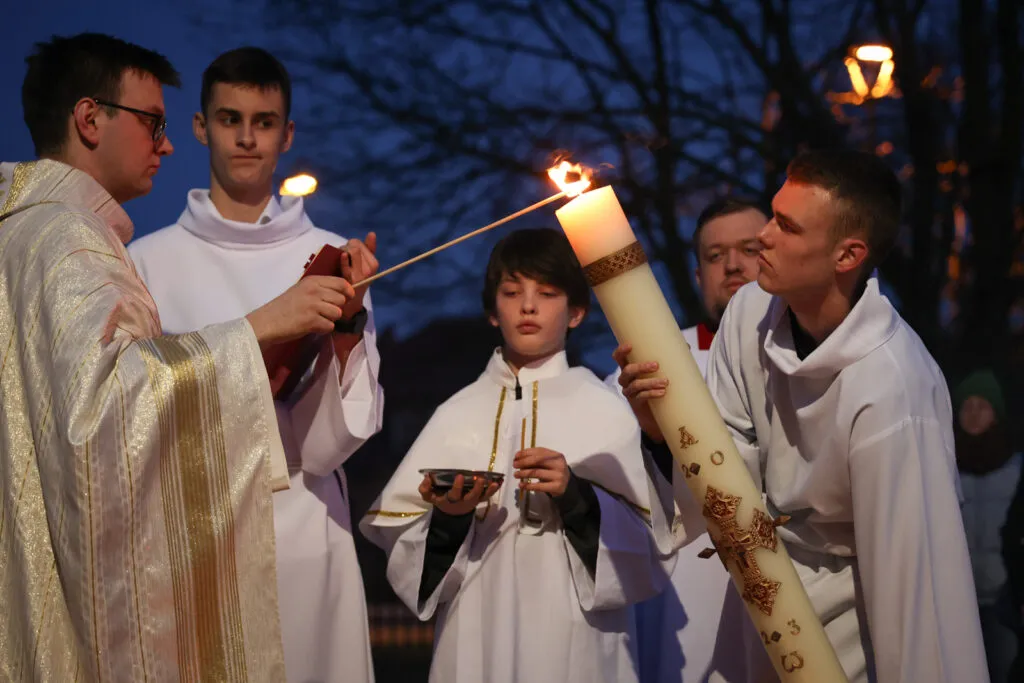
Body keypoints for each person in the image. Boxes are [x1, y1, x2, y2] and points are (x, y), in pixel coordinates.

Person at [2, 33, 357, 682]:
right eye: (151, 123)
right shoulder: (70, 245)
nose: (163, 145)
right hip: (192, 544)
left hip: (303, 532)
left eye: (264, 122)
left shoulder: (33, 231)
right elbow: (105, 419)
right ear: (88, 119)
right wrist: (260, 328)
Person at [617, 149, 988, 682]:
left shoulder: (893, 387)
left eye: (787, 227)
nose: (764, 237)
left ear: (847, 255)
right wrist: (660, 430)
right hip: (761, 596)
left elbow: (913, 582)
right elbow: (727, 472)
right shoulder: (749, 313)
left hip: (855, 620)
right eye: (773, 214)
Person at [127, 47, 384, 683]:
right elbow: (128, 411)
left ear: (287, 133)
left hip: (301, 520)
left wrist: (348, 331)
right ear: (199, 127)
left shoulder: (333, 259)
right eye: (229, 118)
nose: (246, 137)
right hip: (190, 527)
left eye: (264, 121)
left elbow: (337, 440)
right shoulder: (145, 262)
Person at [360, 228, 686, 683]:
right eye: (512, 293)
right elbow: (409, 556)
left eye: (547, 293)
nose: (528, 306)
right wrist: (451, 515)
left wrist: (575, 496)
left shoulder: (603, 406)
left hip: (575, 626)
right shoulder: (455, 412)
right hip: (476, 621)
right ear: (493, 312)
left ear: (576, 312)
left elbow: (649, 540)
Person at [607, 197, 765, 683]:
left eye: (749, 249)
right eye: (715, 256)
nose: (733, 265)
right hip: (692, 600)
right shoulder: (650, 370)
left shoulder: (805, 361)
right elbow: (625, 511)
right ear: (698, 276)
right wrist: (652, 436)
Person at [952, 370, 1021, 683]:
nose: (974, 413)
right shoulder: (944, 463)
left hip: (1003, 601)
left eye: (983, 405)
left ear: (997, 413)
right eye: (967, 405)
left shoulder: (1016, 466)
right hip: (956, 601)